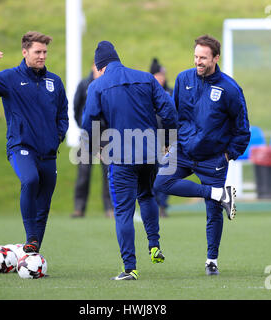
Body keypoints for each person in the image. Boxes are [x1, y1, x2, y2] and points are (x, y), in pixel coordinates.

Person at [154, 35, 251, 276]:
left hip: (213, 158)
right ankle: (219, 193)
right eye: (196, 56)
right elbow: (172, 114)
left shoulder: (229, 88)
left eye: (203, 58)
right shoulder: (183, 79)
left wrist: (229, 155)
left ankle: (211, 260)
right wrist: (167, 142)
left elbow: (242, 128)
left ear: (216, 58)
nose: (198, 61)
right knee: (160, 182)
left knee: (213, 211)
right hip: (184, 151)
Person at [81, 41, 178, 280]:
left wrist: (95, 146)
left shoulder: (98, 85)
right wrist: (167, 140)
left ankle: (130, 268)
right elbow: (168, 110)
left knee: (123, 211)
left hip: (121, 156)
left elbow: (88, 121)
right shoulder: (146, 78)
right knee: (147, 196)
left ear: (101, 66)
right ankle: (154, 244)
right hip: (150, 153)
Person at [0, 31, 69, 254]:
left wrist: (58, 135)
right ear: (25, 52)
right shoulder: (10, 78)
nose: (42, 56)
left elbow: (63, 114)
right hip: (21, 147)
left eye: (45, 52)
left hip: (49, 152)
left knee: (44, 205)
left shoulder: (54, 81)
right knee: (30, 180)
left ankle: (32, 253)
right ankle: (31, 236)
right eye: (37, 52)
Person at [71, 64, 113, 218]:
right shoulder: (84, 84)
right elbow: (76, 108)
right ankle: (79, 208)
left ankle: (110, 208)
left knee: (109, 173)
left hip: (106, 135)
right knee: (83, 173)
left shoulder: (109, 84)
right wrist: (84, 125)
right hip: (87, 135)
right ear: (92, 67)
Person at [149, 58, 173, 217]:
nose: (161, 78)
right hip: (149, 138)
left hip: (167, 139)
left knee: (166, 173)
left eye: (162, 75)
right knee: (151, 174)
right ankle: (153, 204)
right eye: (158, 75)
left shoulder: (170, 92)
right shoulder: (146, 92)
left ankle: (162, 205)